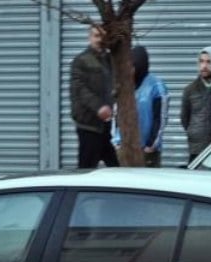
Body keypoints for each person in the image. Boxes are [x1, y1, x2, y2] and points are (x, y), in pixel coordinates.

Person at [110, 46, 168, 167]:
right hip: (124, 150)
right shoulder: (124, 85)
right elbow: (116, 115)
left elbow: (160, 118)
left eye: (133, 66)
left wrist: (151, 145)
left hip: (147, 151)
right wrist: (117, 142)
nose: (130, 70)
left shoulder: (156, 86)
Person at [70, 24, 118, 169]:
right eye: (96, 36)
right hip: (89, 126)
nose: (99, 40)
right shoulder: (81, 61)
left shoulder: (109, 60)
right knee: (86, 169)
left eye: (102, 36)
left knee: (115, 167)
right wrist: (99, 107)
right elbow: (80, 89)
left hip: (105, 126)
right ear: (90, 37)